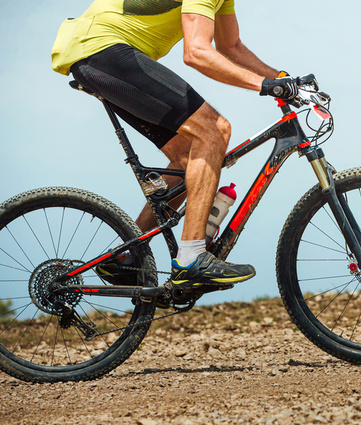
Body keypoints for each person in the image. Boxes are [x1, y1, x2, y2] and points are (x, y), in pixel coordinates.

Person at [51, 0, 299, 289]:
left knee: (186, 157)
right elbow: (196, 52)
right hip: (102, 47)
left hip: (98, 53)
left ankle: (124, 256)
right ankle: (191, 257)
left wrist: (282, 79)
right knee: (215, 130)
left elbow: (231, 47)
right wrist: (264, 86)